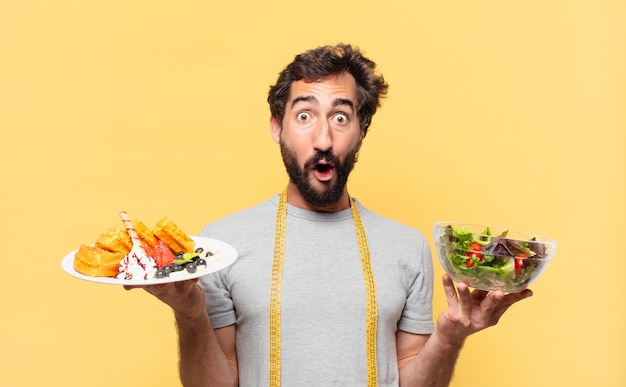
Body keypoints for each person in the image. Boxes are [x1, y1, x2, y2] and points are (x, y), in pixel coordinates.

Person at [127, 43, 533, 386]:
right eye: (304, 116)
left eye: (341, 117)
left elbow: (409, 377)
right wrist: (191, 312)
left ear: (362, 130)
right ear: (277, 127)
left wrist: (448, 337)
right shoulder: (221, 244)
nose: (323, 138)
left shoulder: (407, 247)